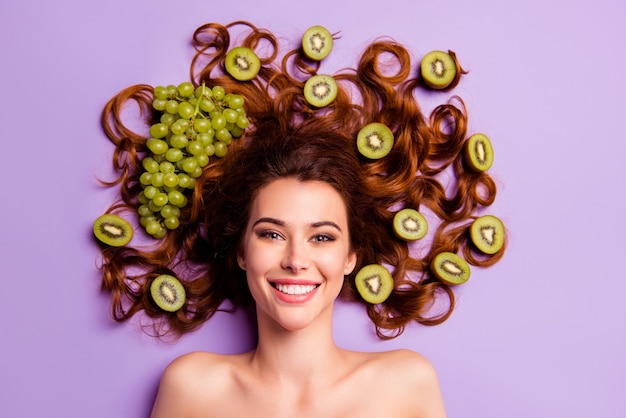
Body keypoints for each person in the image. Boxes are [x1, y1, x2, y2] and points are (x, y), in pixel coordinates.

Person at [98, 21, 505, 417]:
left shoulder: (406, 383)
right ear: (241, 251)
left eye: (322, 238)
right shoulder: (192, 387)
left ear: (351, 257)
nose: (296, 259)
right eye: (272, 233)